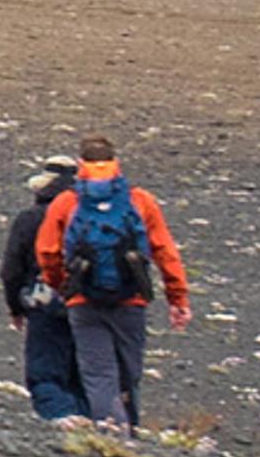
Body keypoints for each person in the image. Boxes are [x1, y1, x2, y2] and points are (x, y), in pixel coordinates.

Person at [30, 132, 192, 430]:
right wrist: (177, 299)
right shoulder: (140, 200)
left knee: (98, 374)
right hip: (131, 299)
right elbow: (165, 251)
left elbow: (47, 251)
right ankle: (128, 428)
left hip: (83, 301)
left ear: (81, 164)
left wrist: (61, 285)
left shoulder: (66, 202)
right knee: (129, 372)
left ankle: (111, 433)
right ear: (116, 163)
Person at [0, 159, 89, 419]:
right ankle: (91, 426)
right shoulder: (92, 216)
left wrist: (15, 308)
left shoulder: (31, 219)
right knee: (85, 378)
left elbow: (11, 271)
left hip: (46, 306)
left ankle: (62, 422)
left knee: (45, 376)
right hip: (93, 305)